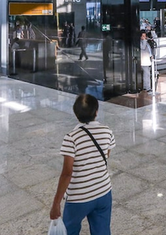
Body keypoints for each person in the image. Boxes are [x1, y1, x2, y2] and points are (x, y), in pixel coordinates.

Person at [50, 94, 115, 235]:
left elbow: (67, 173)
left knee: (70, 231)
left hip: (79, 197)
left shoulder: (71, 138)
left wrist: (56, 203)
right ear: (96, 112)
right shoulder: (107, 131)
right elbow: (106, 155)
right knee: (102, 231)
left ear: (76, 113)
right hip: (103, 191)